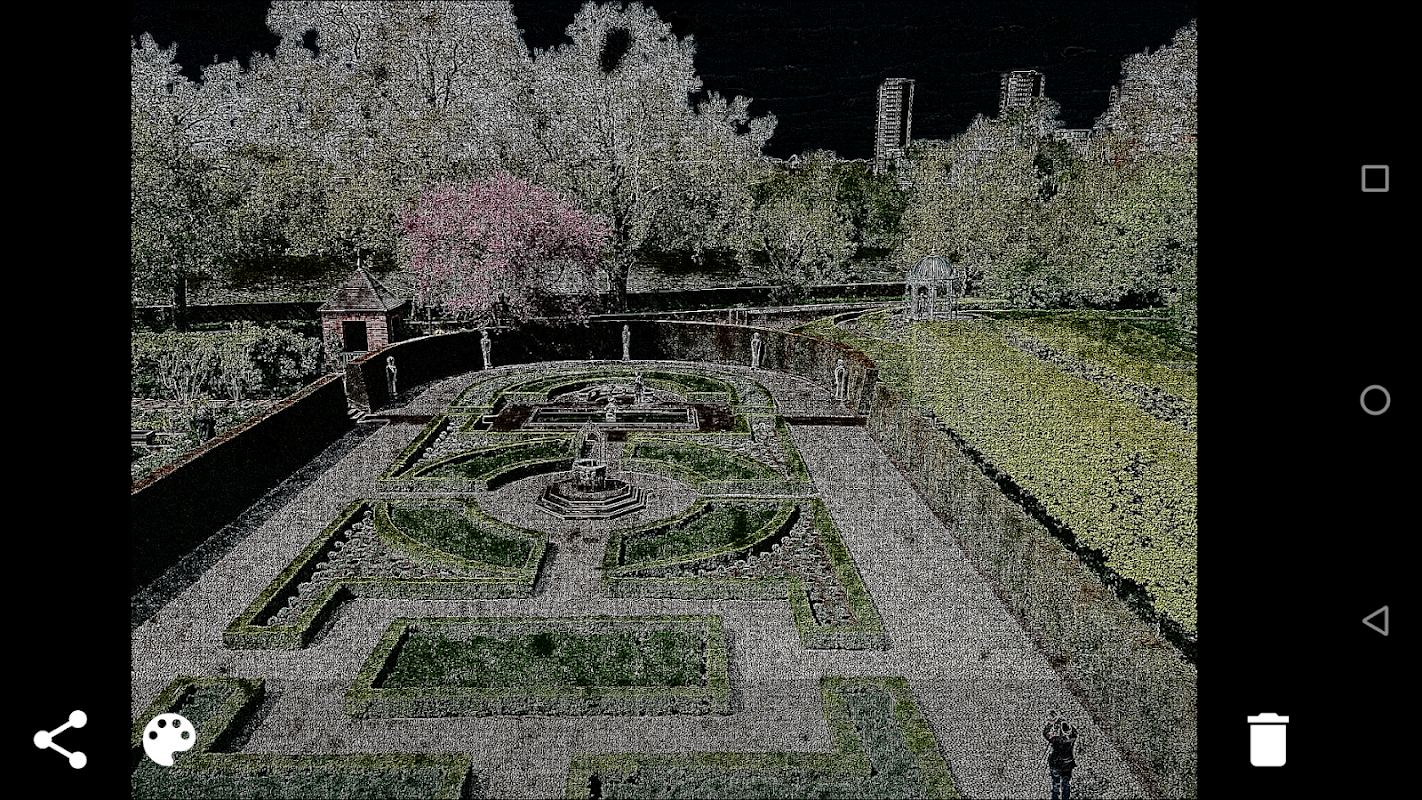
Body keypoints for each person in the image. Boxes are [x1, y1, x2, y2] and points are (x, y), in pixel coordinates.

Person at [1044, 717, 1078, 800]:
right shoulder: (1072, 739)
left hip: (1055, 765)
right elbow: (1075, 732)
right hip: (1067, 766)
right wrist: (1068, 722)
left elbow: (1045, 733)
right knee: (1066, 784)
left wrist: (1051, 723)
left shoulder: (1055, 739)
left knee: (1056, 784)